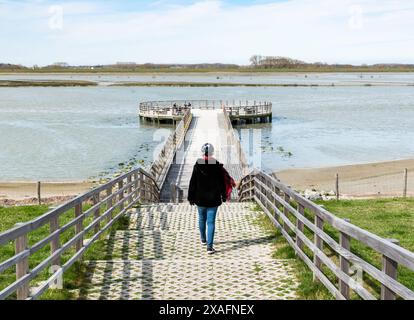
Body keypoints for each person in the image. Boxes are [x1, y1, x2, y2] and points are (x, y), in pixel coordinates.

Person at [188, 143, 233, 254]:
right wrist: (224, 195)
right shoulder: (217, 165)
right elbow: (221, 183)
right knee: (211, 222)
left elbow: (192, 183)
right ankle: (209, 247)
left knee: (201, 218)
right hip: (213, 198)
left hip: (200, 198)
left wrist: (191, 197)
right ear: (212, 152)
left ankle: (203, 239)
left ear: (202, 152)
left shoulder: (198, 164)